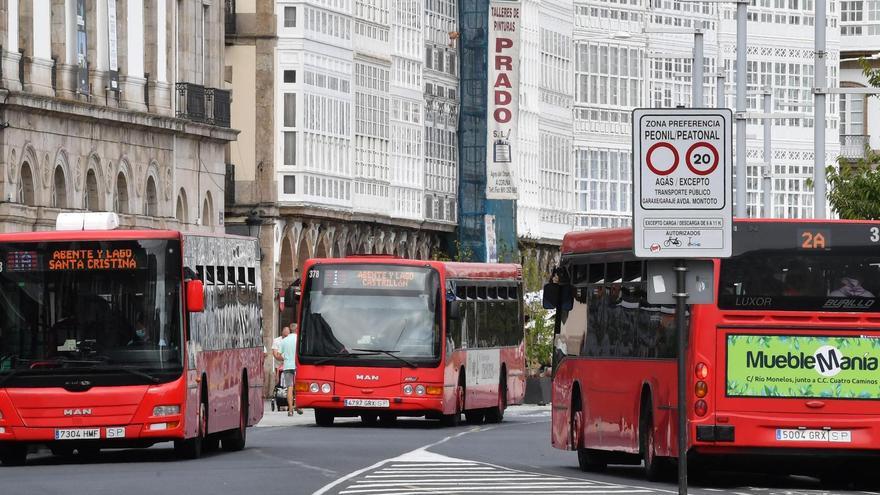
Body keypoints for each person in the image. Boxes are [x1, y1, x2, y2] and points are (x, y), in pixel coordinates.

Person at [276, 324, 302, 415]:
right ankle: (298, 406)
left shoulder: (284, 341)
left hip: (287, 366)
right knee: (298, 387)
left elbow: (278, 355)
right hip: (298, 366)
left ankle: (290, 409)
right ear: (297, 329)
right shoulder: (300, 339)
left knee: (289, 387)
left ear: (290, 330)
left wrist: (286, 358)